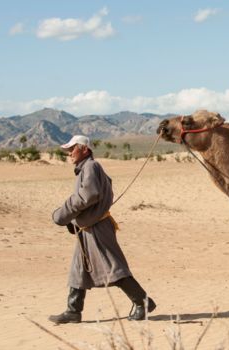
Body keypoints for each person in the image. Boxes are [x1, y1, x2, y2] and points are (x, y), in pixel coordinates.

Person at [49, 135, 156, 324]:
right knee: (79, 268)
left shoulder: (90, 166)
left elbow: (88, 195)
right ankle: (73, 311)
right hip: (88, 227)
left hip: (97, 227)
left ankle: (143, 302)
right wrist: (75, 221)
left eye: (72, 149)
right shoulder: (88, 167)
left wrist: (62, 214)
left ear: (84, 149)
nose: (69, 153)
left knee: (113, 267)